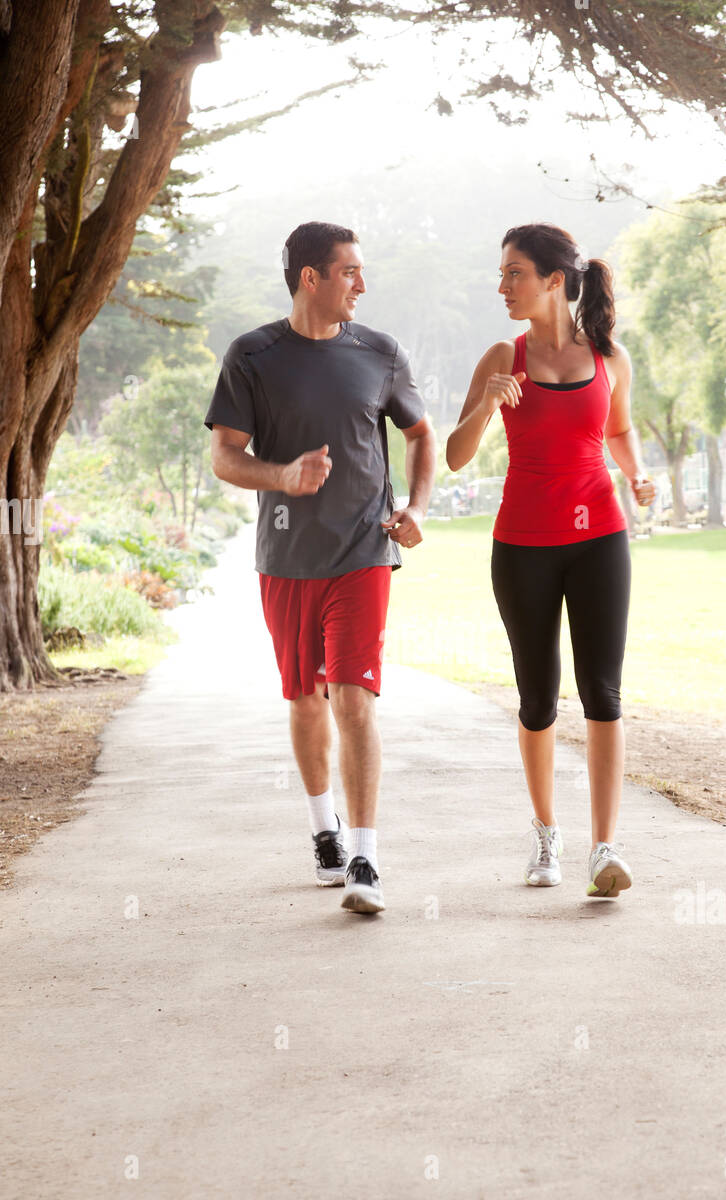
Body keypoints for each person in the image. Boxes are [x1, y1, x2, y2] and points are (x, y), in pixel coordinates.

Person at [205, 222, 435, 914]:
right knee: (306, 699)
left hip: (363, 551)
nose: (361, 285)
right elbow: (224, 455)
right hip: (285, 559)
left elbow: (422, 435)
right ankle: (324, 833)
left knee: (353, 697)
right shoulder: (252, 356)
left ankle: (365, 856)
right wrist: (282, 476)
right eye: (349, 272)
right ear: (311, 277)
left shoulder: (380, 354)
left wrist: (417, 506)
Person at [446, 223, 655, 899]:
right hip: (523, 548)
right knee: (537, 701)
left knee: (603, 694)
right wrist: (486, 403)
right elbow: (454, 454)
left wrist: (639, 474)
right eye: (503, 274)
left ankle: (604, 847)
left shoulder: (609, 359)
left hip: (600, 540)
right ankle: (545, 835)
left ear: (555, 281)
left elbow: (618, 429)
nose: (503, 286)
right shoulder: (501, 356)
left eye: (515, 274)